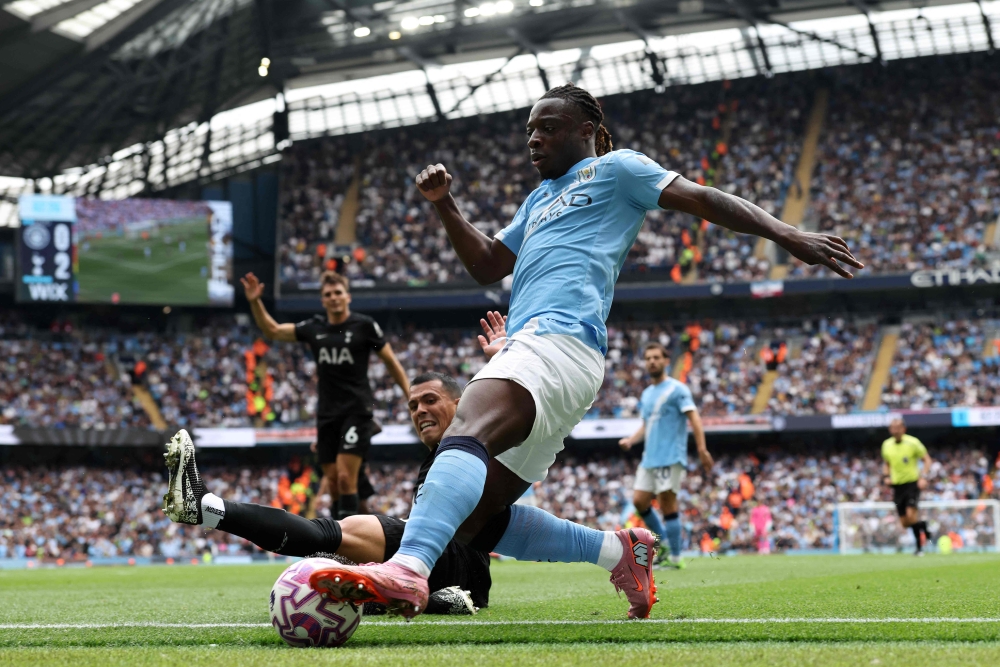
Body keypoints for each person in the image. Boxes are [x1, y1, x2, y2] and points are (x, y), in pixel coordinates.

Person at [307, 83, 863, 620]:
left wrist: (789, 235)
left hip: (557, 338)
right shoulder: (537, 199)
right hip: (552, 352)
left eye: (548, 128)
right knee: (477, 518)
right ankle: (619, 552)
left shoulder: (617, 168)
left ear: (589, 130)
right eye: (529, 130)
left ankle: (407, 569)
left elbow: (703, 198)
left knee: (464, 432)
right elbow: (487, 266)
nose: (534, 140)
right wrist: (445, 205)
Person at [161, 371, 490, 614]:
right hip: (454, 567)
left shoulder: (476, 443)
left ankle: (206, 508)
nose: (419, 410)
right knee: (329, 564)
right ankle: (431, 601)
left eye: (430, 401)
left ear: (461, 406)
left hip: (458, 554)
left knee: (339, 534)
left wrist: (505, 353)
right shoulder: (440, 455)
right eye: (413, 405)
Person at [240, 270, 409, 519]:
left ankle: (346, 547)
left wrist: (409, 394)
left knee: (344, 476)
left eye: (338, 292)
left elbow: (391, 362)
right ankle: (369, 538)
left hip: (357, 410)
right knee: (333, 484)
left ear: (348, 297)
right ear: (322, 300)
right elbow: (273, 330)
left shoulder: (364, 326)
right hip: (327, 414)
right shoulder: (313, 328)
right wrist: (255, 301)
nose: (333, 297)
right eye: (328, 294)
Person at [618, 342, 713, 569]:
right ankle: (665, 546)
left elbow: (695, 418)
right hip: (649, 458)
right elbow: (646, 425)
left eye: (656, 357)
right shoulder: (647, 393)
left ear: (666, 361)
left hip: (670, 457)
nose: (652, 361)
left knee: (667, 505)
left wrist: (701, 449)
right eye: (648, 358)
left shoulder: (677, 389)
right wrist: (631, 440)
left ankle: (676, 558)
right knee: (639, 501)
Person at [881, 417, 933, 555]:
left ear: (904, 429)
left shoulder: (913, 442)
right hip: (897, 486)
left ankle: (919, 548)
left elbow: (927, 460)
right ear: (890, 429)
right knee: (905, 522)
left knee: (911, 515)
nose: (896, 430)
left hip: (912, 483)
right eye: (893, 427)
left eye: (898, 427)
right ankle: (923, 526)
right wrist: (886, 477)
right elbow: (886, 463)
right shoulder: (886, 445)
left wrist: (923, 477)